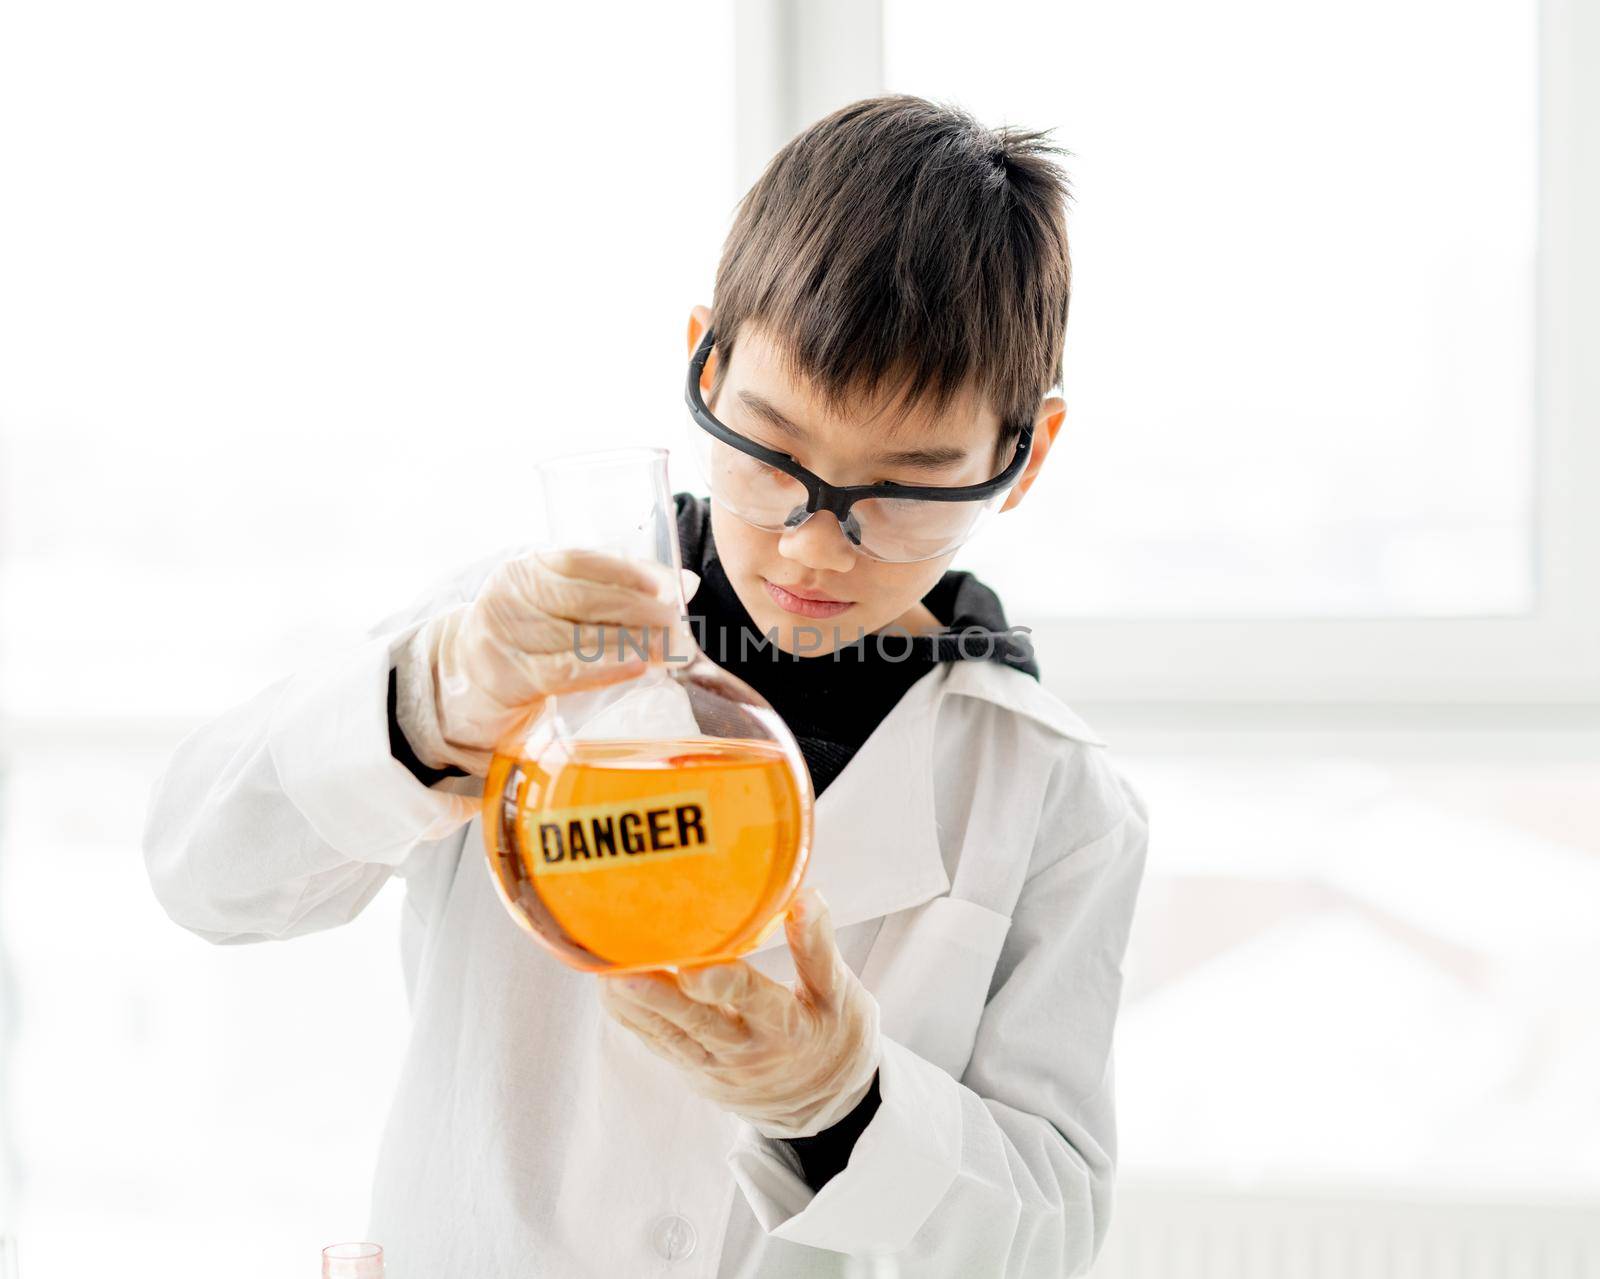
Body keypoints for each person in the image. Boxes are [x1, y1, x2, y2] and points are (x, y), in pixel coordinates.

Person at [142, 94, 1149, 1278]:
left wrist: (842, 1101)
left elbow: (1044, 1238)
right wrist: (435, 700)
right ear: (704, 365)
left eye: (905, 486)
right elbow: (203, 874)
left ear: (1024, 455)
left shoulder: (1051, 800)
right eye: (773, 451)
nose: (813, 545)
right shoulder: (516, 639)